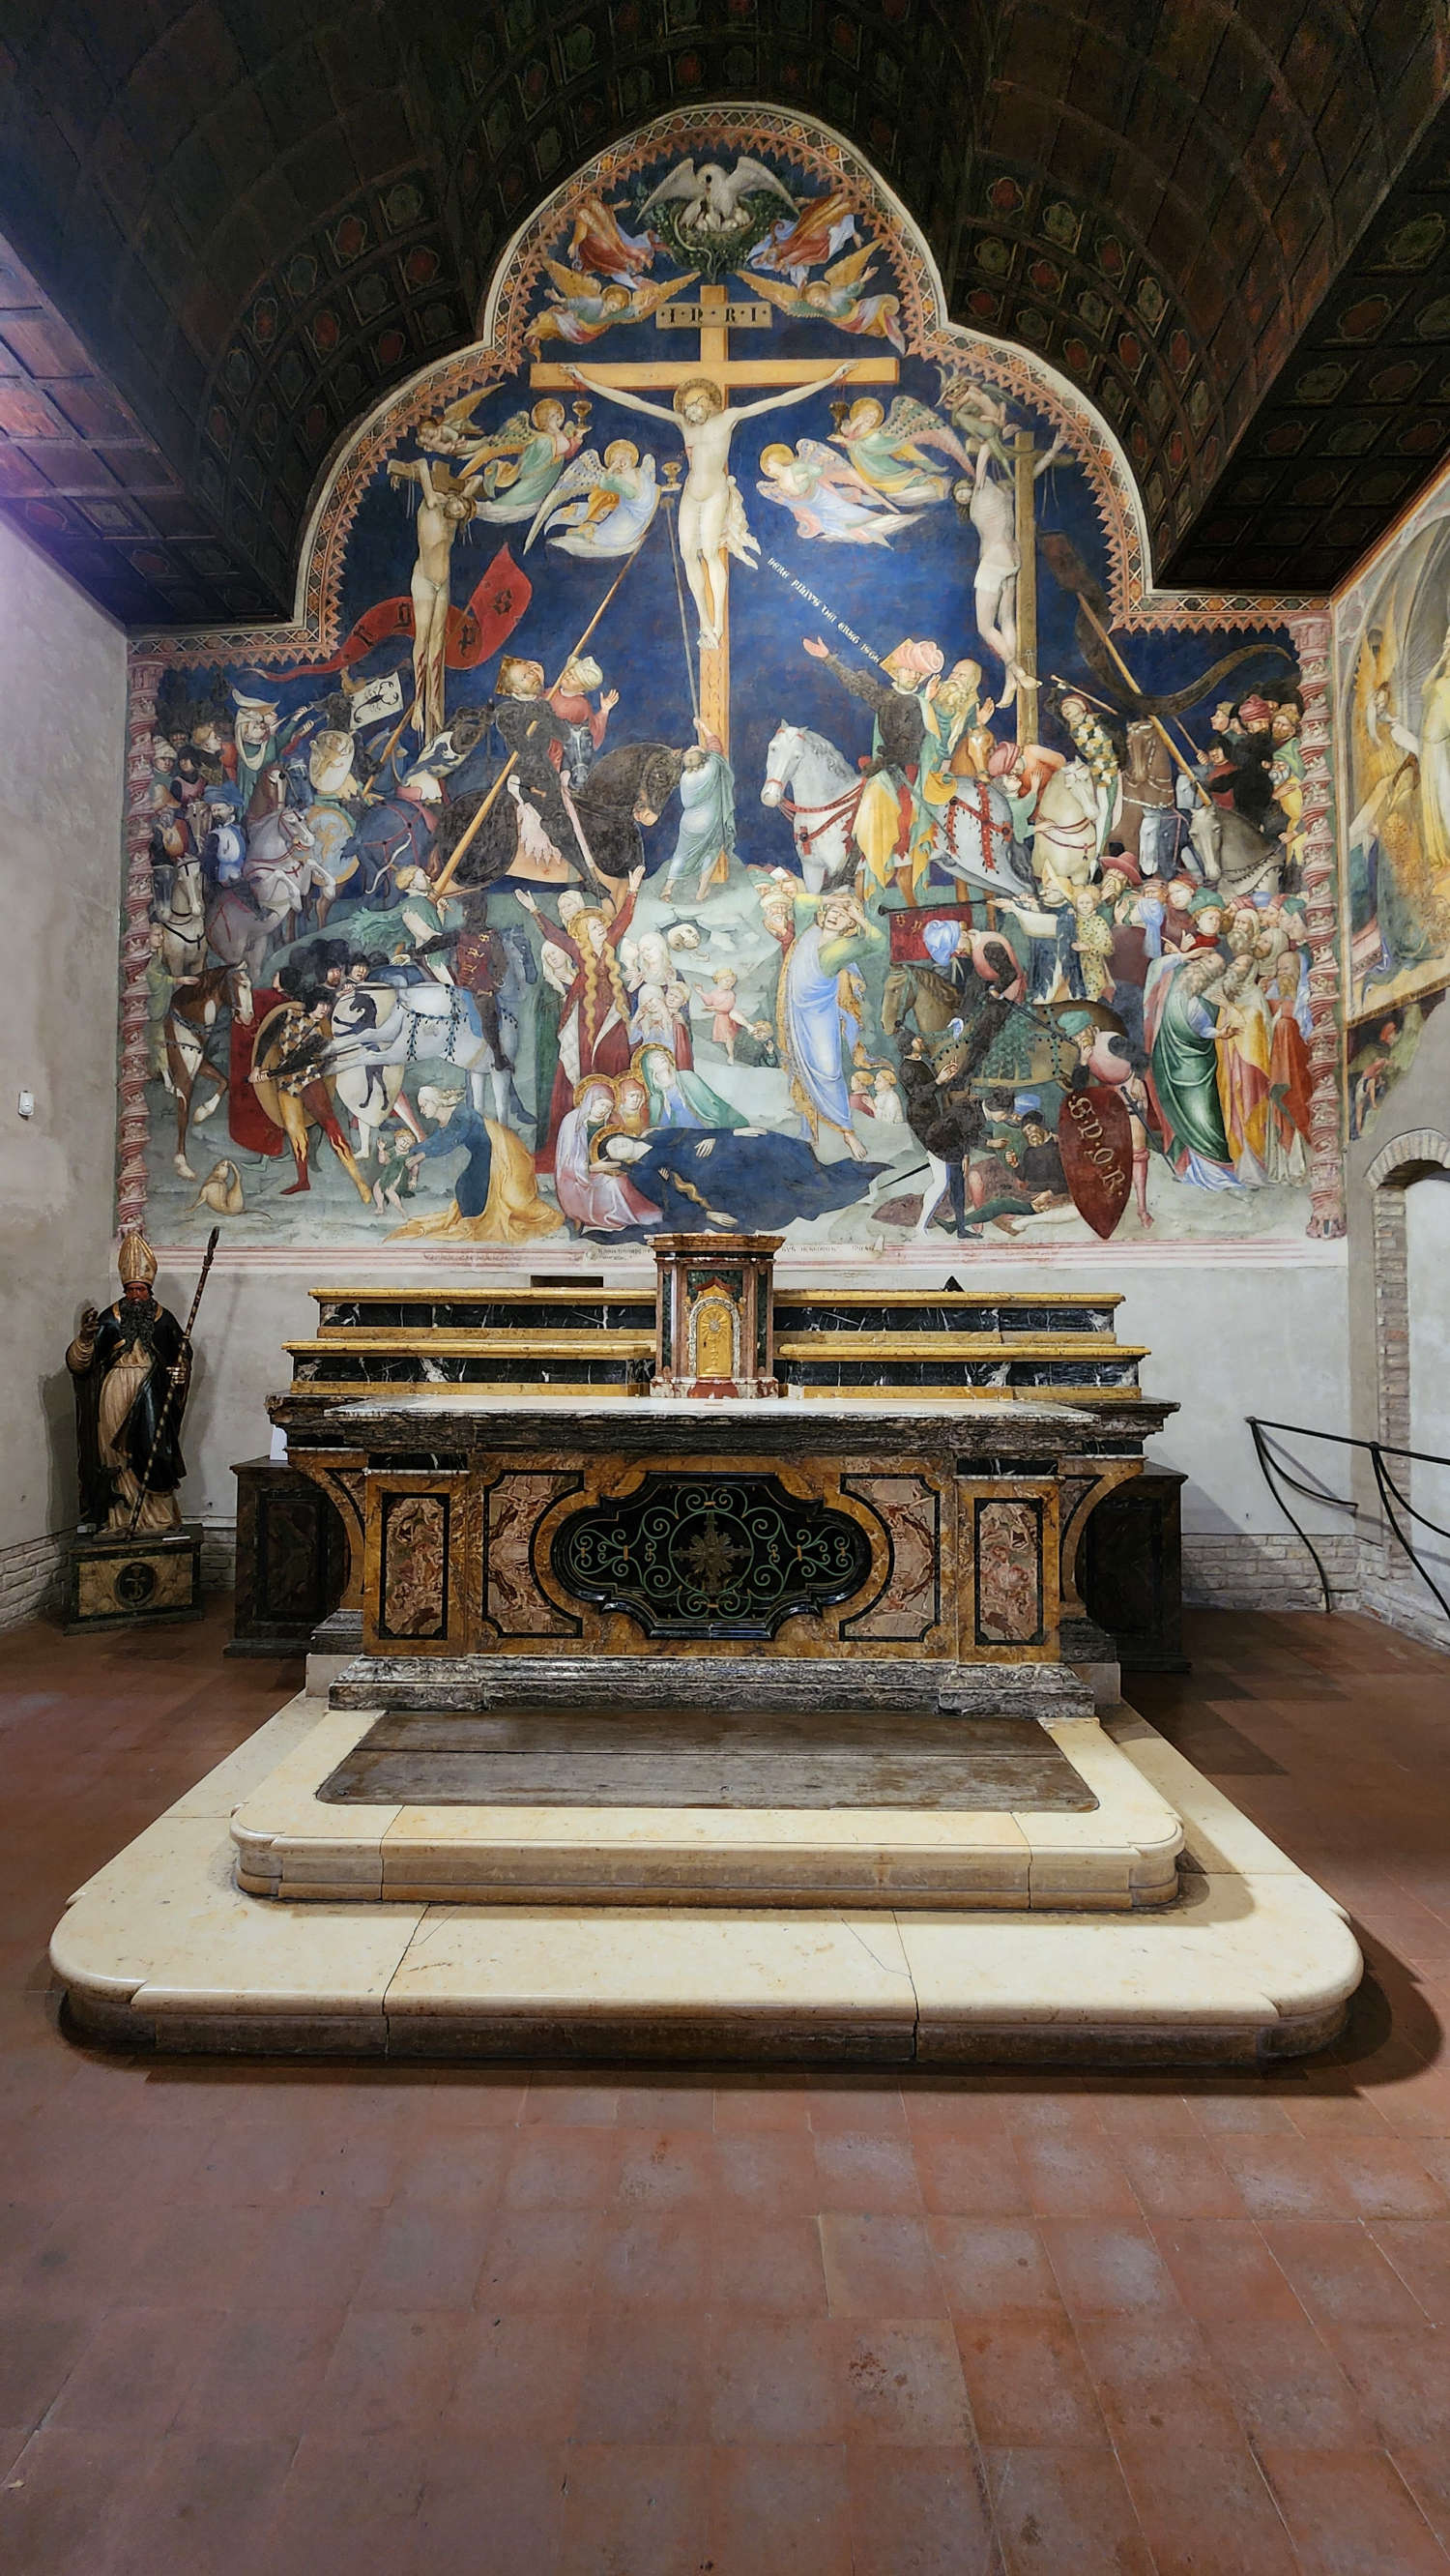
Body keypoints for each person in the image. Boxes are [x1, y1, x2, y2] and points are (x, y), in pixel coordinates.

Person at [567, 360, 854, 646]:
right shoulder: (683, 423)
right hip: (692, 491)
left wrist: (829, 380)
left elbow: (777, 401)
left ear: (709, 402)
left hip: (716, 490)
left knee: (710, 552)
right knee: (687, 553)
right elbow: (637, 404)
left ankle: (717, 623)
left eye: (697, 401)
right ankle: (704, 624)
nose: (692, 407)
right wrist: (586, 382)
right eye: (688, 403)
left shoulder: (728, 418)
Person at [66, 1231, 191, 1536]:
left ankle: (157, 1519)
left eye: (141, 1290)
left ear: (149, 1290)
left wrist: (180, 1371)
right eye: (131, 1289)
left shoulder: (164, 1319)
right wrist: (84, 1338)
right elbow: (80, 1363)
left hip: (153, 1392)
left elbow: (182, 1355)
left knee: (151, 1448)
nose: (136, 1296)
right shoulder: (109, 1319)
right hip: (115, 1390)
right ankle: (120, 1519)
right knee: (116, 1454)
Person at [390, 1081, 564, 1244]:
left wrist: (421, 1155)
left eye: (423, 1105)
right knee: (467, 1185)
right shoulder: (448, 1118)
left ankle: (485, 1220)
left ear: (435, 1102)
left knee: (511, 1196)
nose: (421, 1111)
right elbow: (438, 1139)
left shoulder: (461, 1114)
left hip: (501, 1150)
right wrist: (415, 1150)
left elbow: (451, 1139)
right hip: (485, 1153)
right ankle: (475, 1219)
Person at [661, 720, 737, 899]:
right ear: (702, 758)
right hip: (708, 821)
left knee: (681, 853)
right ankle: (702, 890)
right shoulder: (711, 768)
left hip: (688, 823)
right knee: (712, 851)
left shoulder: (685, 777)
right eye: (695, 748)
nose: (695, 745)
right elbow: (715, 747)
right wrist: (702, 726)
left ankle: (667, 888)